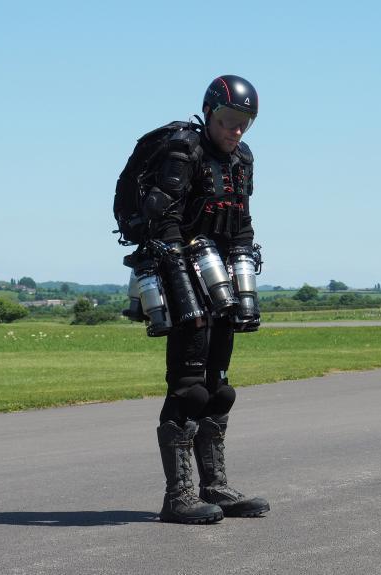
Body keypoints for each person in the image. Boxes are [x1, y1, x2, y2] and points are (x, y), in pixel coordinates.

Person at [141, 75, 270, 524]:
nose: (236, 130)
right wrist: (182, 276)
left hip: (224, 276)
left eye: (244, 122)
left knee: (218, 387)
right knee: (189, 386)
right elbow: (162, 217)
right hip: (183, 274)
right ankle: (178, 496)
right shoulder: (185, 150)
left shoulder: (241, 159)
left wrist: (242, 269)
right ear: (210, 113)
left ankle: (215, 487)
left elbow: (242, 220)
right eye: (228, 120)